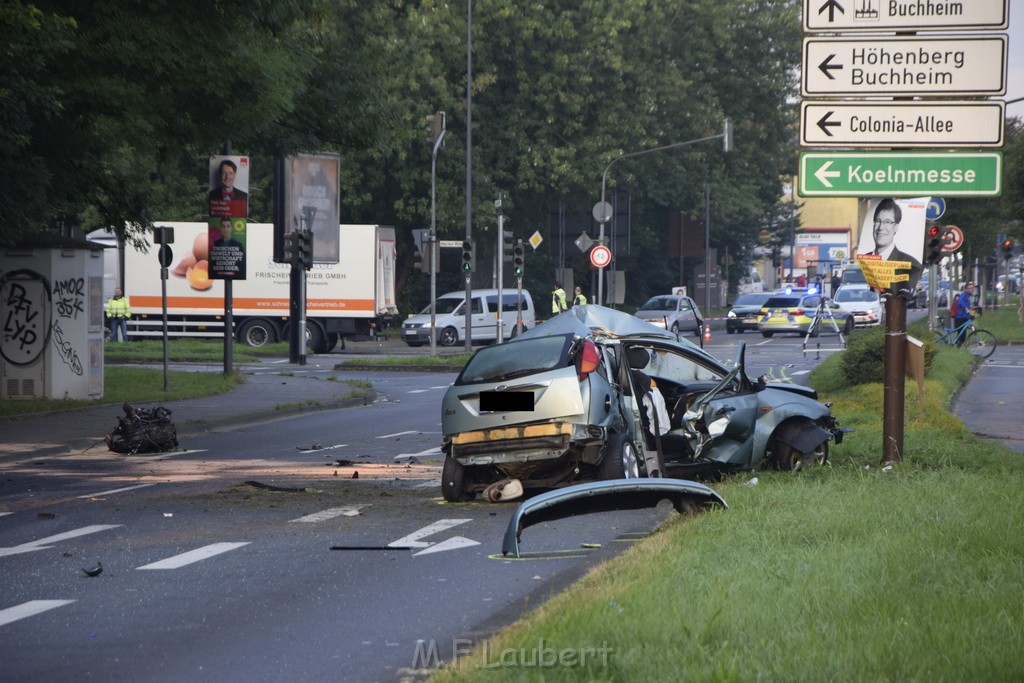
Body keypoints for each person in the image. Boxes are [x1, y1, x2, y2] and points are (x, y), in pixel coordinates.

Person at [870, 198, 922, 294]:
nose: (881, 227)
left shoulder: (911, 264)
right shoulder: (864, 260)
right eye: (877, 221)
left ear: (896, 227)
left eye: (887, 222)